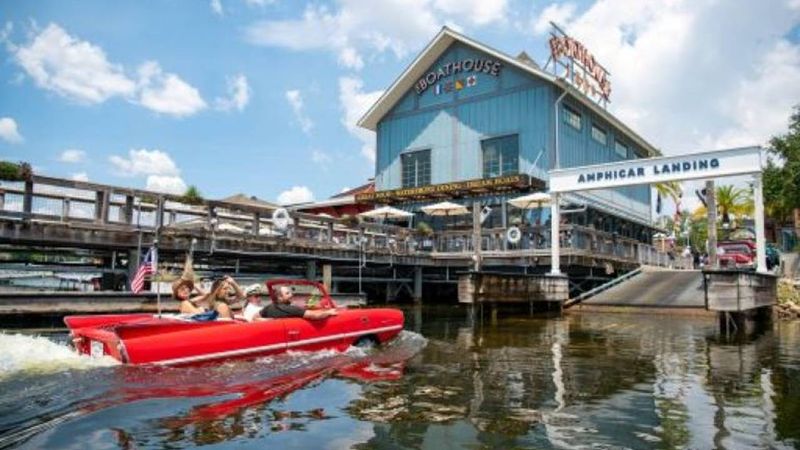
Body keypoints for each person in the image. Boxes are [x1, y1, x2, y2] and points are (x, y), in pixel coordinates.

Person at [259, 285, 338, 320]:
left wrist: (267, 320)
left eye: (290, 292)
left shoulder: (268, 307)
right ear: (280, 297)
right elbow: (315, 316)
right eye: (287, 293)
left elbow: (255, 317)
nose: (291, 295)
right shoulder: (291, 309)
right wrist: (328, 312)